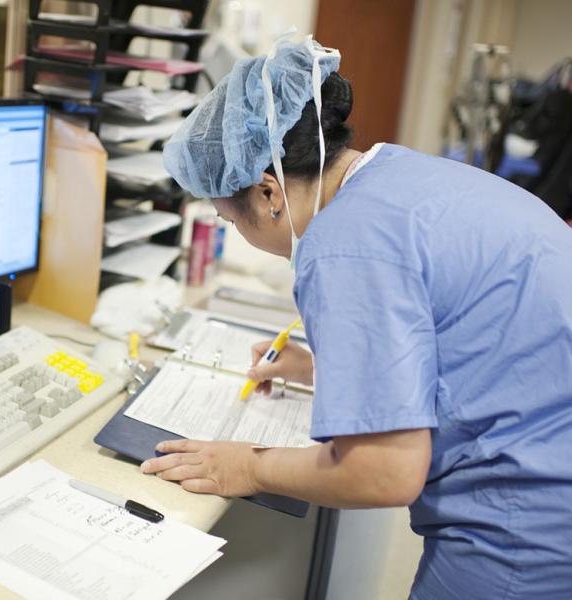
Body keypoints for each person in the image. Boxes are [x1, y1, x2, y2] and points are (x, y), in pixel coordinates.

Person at [140, 34, 572, 599]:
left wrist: (249, 466)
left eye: (230, 220)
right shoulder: (398, 174)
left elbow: (384, 471)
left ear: (268, 193)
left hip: (527, 527)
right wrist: (330, 369)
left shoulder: (341, 245)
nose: (237, 231)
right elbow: (465, 334)